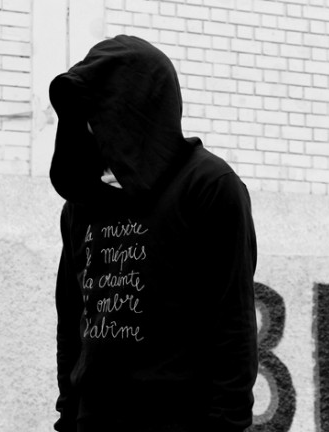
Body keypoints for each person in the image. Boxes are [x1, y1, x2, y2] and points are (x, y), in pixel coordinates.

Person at [49, 35, 258, 432]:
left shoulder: (208, 185)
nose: (90, 124)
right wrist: (67, 417)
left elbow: (233, 322)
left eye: (100, 106)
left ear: (136, 105)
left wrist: (227, 425)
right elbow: (71, 321)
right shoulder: (81, 203)